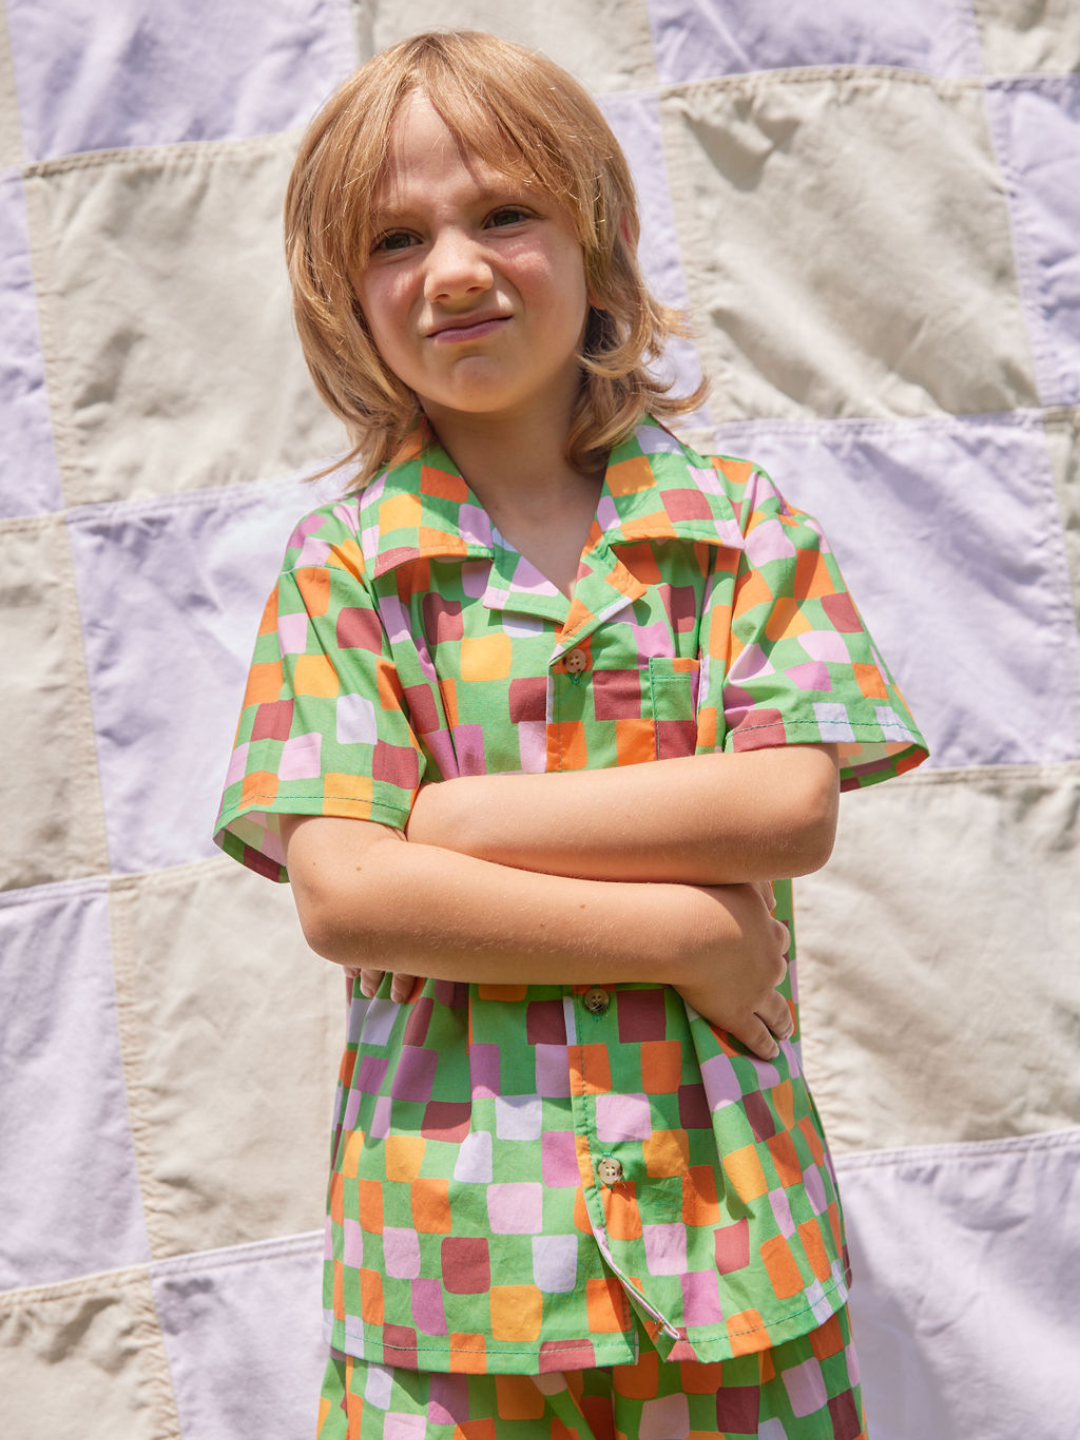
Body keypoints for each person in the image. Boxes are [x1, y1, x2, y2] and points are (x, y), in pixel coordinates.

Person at [214, 29, 928, 1440]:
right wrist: (687, 940)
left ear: (596, 243)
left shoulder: (736, 533)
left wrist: (460, 821)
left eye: (505, 214)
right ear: (339, 300)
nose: (458, 268)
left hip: (732, 1235)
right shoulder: (343, 569)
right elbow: (349, 893)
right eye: (396, 238)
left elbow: (789, 805)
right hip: (454, 1266)